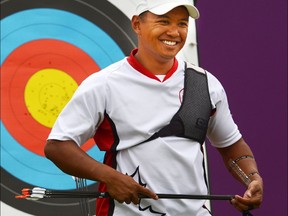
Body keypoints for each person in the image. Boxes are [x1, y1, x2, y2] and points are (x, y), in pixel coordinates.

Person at [44, 0, 263, 215]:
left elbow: (231, 145)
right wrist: (109, 176)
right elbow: (58, 146)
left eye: (182, 24)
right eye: (164, 21)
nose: (174, 32)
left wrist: (252, 179)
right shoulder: (104, 84)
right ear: (137, 24)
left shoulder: (206, 84)